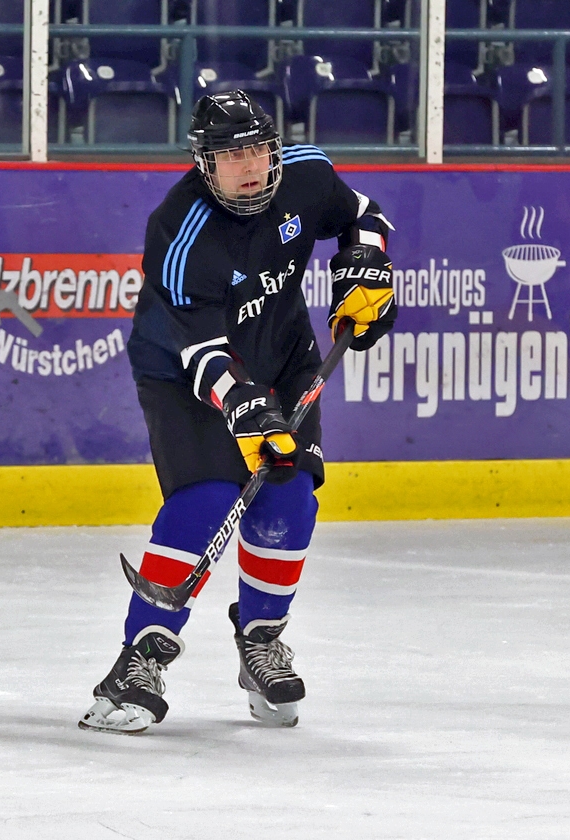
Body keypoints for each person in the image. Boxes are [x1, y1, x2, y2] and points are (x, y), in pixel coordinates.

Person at [79, 91, 396, 734]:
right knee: (206, 500)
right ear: (205, 164)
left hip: (283, 356)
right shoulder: (179, 229)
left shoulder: (306, 175)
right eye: (230, 155)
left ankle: (261, 640)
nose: (248, 166)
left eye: (256, 149)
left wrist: (366, 264)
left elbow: (364, 214)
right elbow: (200, 348)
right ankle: (139, 660)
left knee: (290, 496)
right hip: (184, 372)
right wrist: (243, 406)